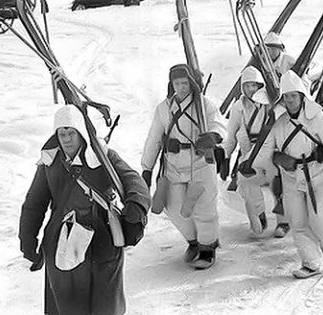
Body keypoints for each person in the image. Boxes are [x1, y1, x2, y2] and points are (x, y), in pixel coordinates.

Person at [19, 105, 150, 315]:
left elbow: (133, 180)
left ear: (81, 132)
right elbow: (34, 203)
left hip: (101, 240)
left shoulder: (102, 155)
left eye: (71, 132)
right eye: (62, 133)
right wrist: (27, 238)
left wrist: (136, 205)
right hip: (62, 242)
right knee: (67, 305)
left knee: (105, 305)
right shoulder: (49, 162)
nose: (66, 139)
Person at [255, 70, 323, 278]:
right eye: (286, 96)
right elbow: (266, 151)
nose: (290, 100)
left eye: (293, 96)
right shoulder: (279, 124)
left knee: (322, 220)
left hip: (318, 175)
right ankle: (312, 263)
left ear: (302, 95)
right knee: (297, 222)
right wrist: (254, 166)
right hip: (290, 178)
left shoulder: (319, 119)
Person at [141, 64, 227, 270]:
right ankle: (193, 241)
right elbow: (154, 138)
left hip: (200, 162)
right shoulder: (164, 108)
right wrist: (147, 167)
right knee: (174, 207)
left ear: (192, 83)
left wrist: (213, 137)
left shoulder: (205, 105)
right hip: (173, 164)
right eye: (177, 83)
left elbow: (219, 125)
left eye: (185, 83)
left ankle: (208, 247)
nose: (181, 87)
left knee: (204, 207)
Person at [222, 66, 288, 237]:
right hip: (248, 153)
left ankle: (283, 222)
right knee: (246, 183)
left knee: (279, 186)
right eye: (247, 85)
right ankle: (259, 213)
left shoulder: (271, 102)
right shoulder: (238, 107)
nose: (250, 89)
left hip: (271, 152)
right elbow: (231, 135)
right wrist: (225, 157)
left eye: (254, 85)